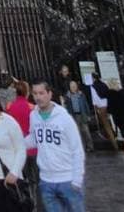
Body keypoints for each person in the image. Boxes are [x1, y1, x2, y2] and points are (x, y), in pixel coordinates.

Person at [29, 80, 84, 212]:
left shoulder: (64, 118)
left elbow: (77, 149)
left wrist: (77, 179)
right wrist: (15, 142)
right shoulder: (33, 116)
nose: (38, 97)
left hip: (67, 179)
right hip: (46, 180)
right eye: (35, 93)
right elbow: (34, 138)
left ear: (49, 94)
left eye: (41, 93)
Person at [6, 81, 37, 189]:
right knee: (36, 180)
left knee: (23, 180)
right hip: (33, 147)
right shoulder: (32, 108)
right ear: (27, 92)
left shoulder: (10, 107)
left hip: (18, 147)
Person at [88, 72, 118, 149]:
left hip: (101, 107)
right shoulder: (104, 84)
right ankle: (115, 135)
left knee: (106, 125)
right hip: (108, 105)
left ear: (93, 78)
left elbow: (95, 99)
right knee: (111, 122)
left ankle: (115, 144)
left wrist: (96, 108)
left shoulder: (93, 86)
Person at [63, 81, 92, 152]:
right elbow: (66, 106)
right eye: (72, 86)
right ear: (70, 87)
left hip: (82, 114)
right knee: (77, 133)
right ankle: (82, 148)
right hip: (74, 116)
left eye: (74, 86)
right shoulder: (67, 96)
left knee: (86, 131)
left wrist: (88, 114)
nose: (73, 88)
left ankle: (90, 146)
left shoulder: (81, 94)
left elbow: (85, 104)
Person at [106, 79, 124, 151]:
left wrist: (109, 112)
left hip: (117, 114)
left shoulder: (110, 94)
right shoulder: (122, 92)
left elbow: (110, 106)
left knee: (122, 129)